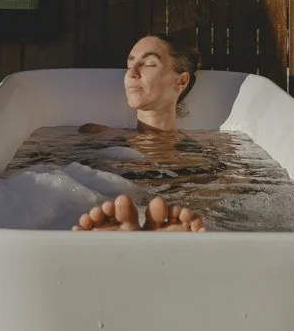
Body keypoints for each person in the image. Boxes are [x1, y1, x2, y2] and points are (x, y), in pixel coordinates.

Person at [72, 33, 208, 234]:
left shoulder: (204, 153)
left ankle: (133, 227)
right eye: (130, 65)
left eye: (149, 64)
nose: (132, 73)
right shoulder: (96, 134)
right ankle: (149, 227)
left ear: (180, 82)